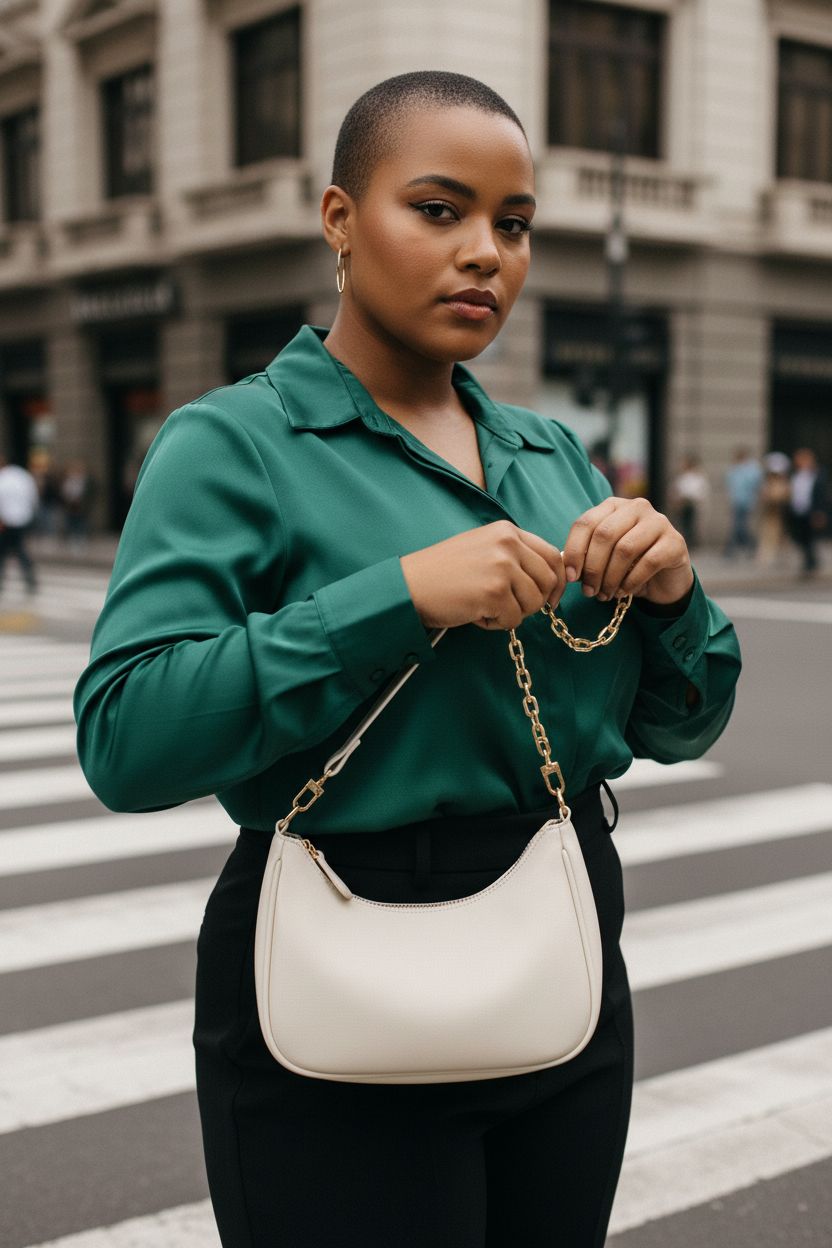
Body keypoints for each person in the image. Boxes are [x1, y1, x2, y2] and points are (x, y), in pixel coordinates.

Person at [73, 72, 741, 1248]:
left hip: (561, 943)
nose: (485, 252)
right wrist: (398, 599)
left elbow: (677, 725)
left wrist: (673, 593)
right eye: (438, 209)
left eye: (514, 223)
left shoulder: (548, 454)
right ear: (340, 220)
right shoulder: (233, 444)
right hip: (337, 958)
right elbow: (126, 737)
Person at [0, 451, 39, 597]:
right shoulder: (23, 475)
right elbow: (33, 497)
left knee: (2, 553)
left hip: (5, 521)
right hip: (23, 519)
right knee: (21, 550)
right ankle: (30, 579)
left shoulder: (2, 478)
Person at [788, 446, 829, 575]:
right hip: (797, 510)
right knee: (799, 537)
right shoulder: (795, 475)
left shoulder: (818, 474)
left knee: (809, 538)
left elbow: (821, 495)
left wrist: (820, 512)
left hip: (811, 511)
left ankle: (810, 562)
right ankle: (810, 560)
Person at [723, 446, 762, 558]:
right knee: (739, 526)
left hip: (747, 501)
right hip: (736, 501)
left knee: (739, 526)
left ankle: (733, 549)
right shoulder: (734, 469)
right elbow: (730, 484)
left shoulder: (752, 468)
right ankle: (748, 546)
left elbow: (755, 485)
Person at [756, 451, 791, 568]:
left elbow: (787, 496)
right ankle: (767, 556)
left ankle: (781, 556)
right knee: (768, 533)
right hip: (769, 513)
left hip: (781, 513)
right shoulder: (767, 483)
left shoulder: (784, 483)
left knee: (781, 535)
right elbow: (763, 496)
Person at [670, 454, 709, 551]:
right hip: (682, 504)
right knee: (683, 524)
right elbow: (676, 490)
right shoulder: (681, 477)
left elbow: (700, 492)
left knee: (690, 525)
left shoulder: (698, 477)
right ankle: (684, 542)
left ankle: (690, 543)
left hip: (692, 504)